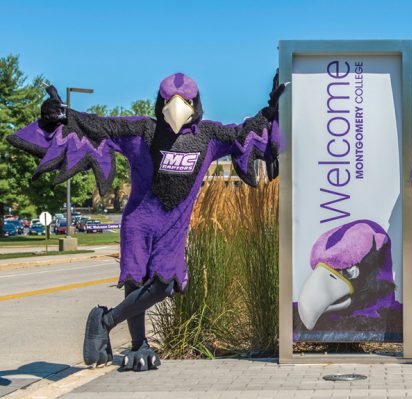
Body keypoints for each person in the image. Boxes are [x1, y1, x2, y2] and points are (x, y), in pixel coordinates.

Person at [8, 72, 284, 371]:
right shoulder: (142, 130)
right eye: (170, 100)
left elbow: (245, 132)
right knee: (135, 279)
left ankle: (105, 319)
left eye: (186, 101)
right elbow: (99, 125)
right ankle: (139, 345)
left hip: (173, 226)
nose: (178, 106)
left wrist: (271, 110)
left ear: (196, 102)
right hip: (138, 221)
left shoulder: (210, 136)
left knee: (167, 283)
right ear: (160, 101)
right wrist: (62, 116)